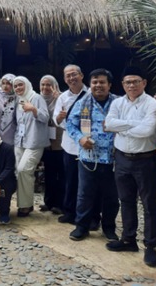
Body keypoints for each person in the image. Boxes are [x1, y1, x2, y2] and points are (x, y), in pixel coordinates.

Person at [104, 66, 156, 267]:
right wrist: (132, 124)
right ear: (122, 84)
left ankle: (151, 246)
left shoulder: (152, 104)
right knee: (126, 201)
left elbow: (147, 131)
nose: (131, 85)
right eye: (127, 82)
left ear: (144, 83)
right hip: (122, 159)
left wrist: (122, 127)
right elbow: (108, 124)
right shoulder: (118, 102)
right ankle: (129, 239)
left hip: (144, 160)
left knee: (149, 204)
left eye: (135, 81)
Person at [67, 68, 119, 242]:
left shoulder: (118, 103)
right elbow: (70, 124)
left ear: (109, 85)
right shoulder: (83, 102)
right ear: (90, 84)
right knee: (85, 194)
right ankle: (82, 226)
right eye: (95, 82)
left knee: (111, 196)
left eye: (102, 82)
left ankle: (109, 227)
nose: (98, 85)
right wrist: (80, 138)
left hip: (113, 158)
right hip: (88, 157)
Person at [53, 64, 89, 225]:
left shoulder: (90, 94)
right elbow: (56, 119)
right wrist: (60, 118)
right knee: (70, 179)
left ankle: (88, 215)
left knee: (88, 182)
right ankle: (69, 211)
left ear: (81, 75)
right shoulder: (63, 97)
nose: (71, 78)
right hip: (69, 145)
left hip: (88, 144)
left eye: (74, 74)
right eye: (68, 76)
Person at [12, 76, 50, 217]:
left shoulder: (36, 98)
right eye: (15, 86)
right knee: (19, 172)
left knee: (24, 170)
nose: (18, 88)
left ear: (27, 84)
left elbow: (46, 118)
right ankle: (24, 205)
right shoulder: (17, 100)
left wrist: (34, 109)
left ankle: (26, 205)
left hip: (34, 141)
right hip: (20, 140)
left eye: (20, 85)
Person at [39, 75, 65, 215]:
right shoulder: (38, 99)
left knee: (61, 174)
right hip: (46, 142)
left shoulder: (62, 98)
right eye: (43, 85)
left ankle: (60, 204)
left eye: (49, 85)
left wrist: (58, 98)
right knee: (48, 173)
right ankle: (48, 202)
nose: (45, 88)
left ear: (55, 85)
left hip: (59, 143)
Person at [0, 74, 17, 145]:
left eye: (8, 83)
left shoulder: (18, 96)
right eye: (3, 83)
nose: (5, 86)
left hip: (12, 132)